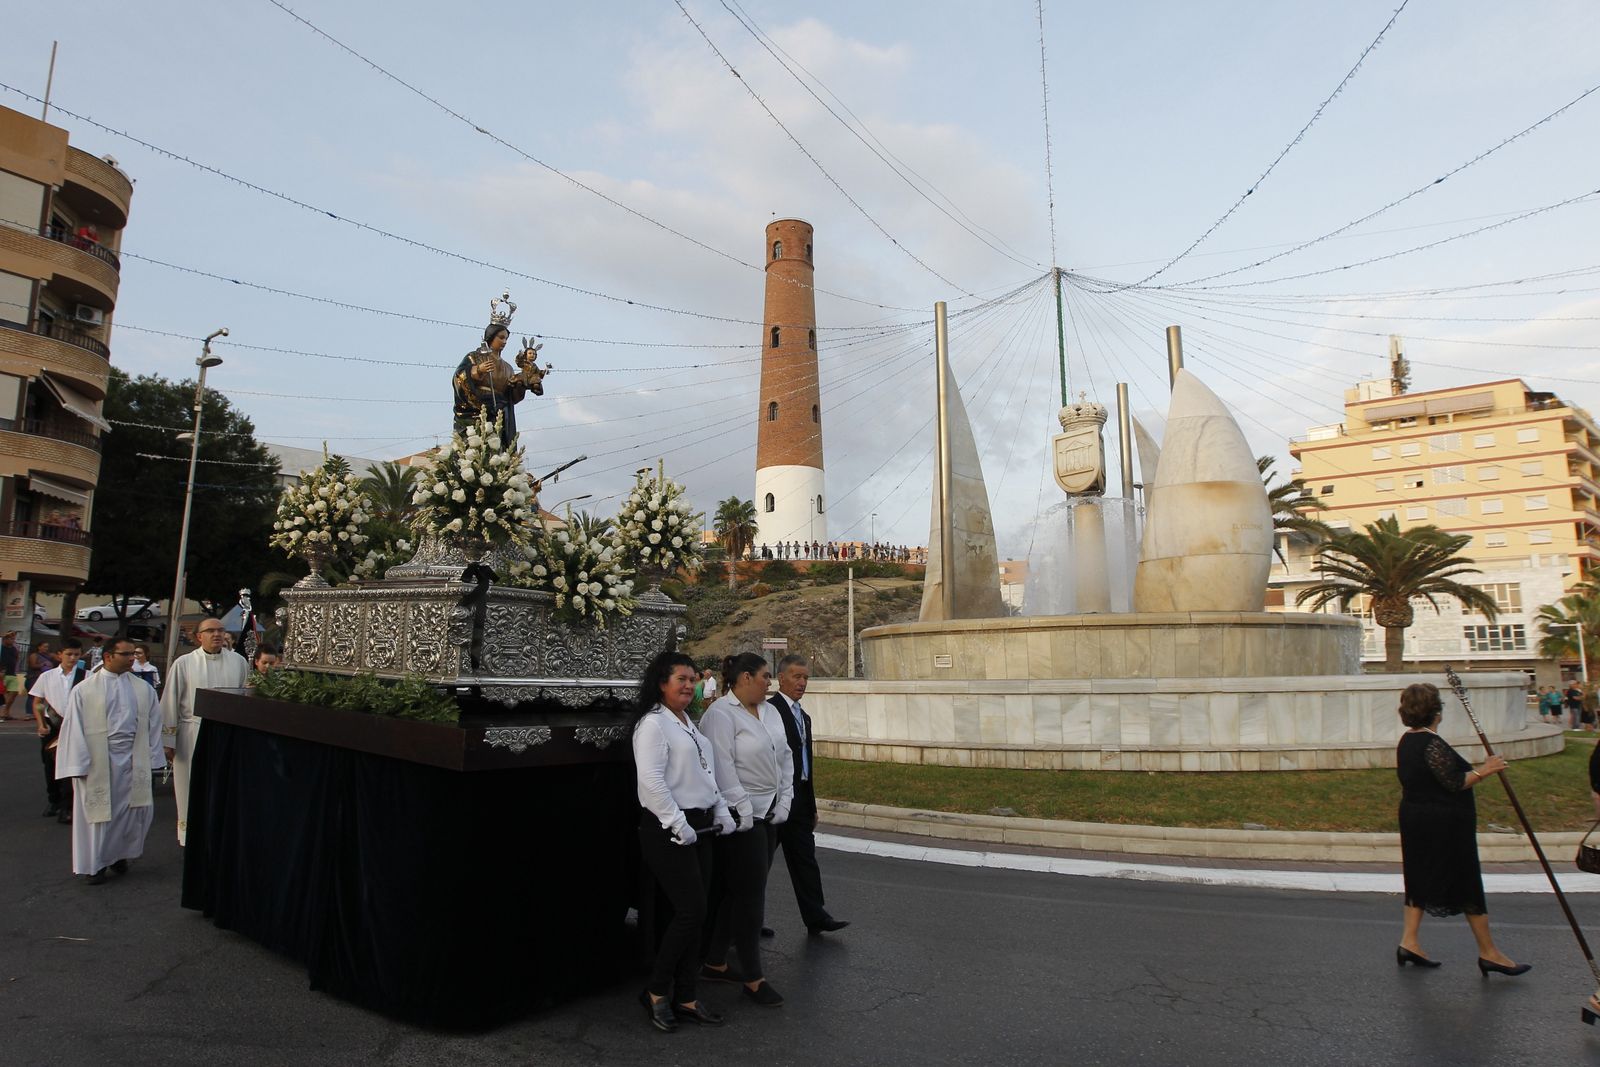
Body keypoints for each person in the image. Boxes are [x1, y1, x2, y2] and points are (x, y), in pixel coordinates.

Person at [631, 650, 734, 1033]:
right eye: (681, 680)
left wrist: (720, 808)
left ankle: (686, 995)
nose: (689, 686)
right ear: (662, 683)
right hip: (668, 829)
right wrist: (677, 823)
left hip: (702, 825)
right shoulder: (653, 725)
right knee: (690, 911)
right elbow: (652, 783)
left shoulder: (688, 722)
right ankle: (657, 991)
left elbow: (707, 774)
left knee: (697, 913)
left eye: (693, 679)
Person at [1394, 682, 1527, 975]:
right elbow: (1454, 782)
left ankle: (1410, 941)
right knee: (1466, 882)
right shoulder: (1432, 743)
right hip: (1443, 823)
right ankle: (1489, 953)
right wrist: (1485, 769)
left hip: (1415, 818)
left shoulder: (1407, 740)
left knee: (1418, 876)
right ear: (1436, 712)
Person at [699, 652, 791, 1007]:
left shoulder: (769, 711)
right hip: (741, 818)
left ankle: (715, 960)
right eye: (765, 676)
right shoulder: (721, 714)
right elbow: (721, 766)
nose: (770, 682)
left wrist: (785, 800)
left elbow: (784, 757)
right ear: (745, 678)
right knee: (751, 897)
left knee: (739, 894)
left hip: (770, 814)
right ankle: (753, 977)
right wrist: (741, 809)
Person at [54, 638, 167, 885]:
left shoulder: (143, 688)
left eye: (134, 654)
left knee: (129, 812)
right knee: (98, 815)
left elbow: (154, 724)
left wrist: (153, 756)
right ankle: (95, 864)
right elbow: (73, 729)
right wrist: (78, 764)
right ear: (108, 656)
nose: (132, 659)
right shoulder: (85, 689)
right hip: (97, 760)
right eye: (126, 654)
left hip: (132, 758)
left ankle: (119, 855)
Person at [768, 654, 850, 936]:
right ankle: (742, 922)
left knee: (805, 859)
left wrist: (812, 805)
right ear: (781, 678)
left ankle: (816, 915)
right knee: (758, 864)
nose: (802, 682)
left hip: (800, 801)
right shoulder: (769, 711)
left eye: (805, 677)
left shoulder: (804, 716)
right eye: (796, 676)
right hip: (775, 800)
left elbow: (807, 764)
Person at [161, 618, 249, 845]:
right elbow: (170, 700)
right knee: (190, 785)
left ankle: (221, 835)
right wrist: (168, 739)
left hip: (228, 733)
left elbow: (247, 700)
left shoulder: (239, 662)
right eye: (210, 631)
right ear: (199, 636)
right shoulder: (184, 663)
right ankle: (189, 837)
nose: (217, 634)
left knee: (223, 784)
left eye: (220, 630)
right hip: (192, 732)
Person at [30, 638, 85, 823]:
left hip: (77, 725)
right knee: (50, 764)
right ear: (59, 654)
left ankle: (68, 804)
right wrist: (40, 724)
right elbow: (37, 703)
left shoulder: (87, 675)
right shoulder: (47, 676)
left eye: (76, 654)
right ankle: (53, 800)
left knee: (72, 766)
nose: (73, 658)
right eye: (69, 654)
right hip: (52, 724)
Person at [1, 630, 22, 719]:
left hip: (12, 673)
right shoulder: (1, 648)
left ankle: (6, 711)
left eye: (13, 639)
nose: (12, 640)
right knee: (2, 693)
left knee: (14, 692)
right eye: (10, 639)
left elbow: (17, 658)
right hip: (2, 674)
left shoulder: (14, 649)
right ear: (5, 639)